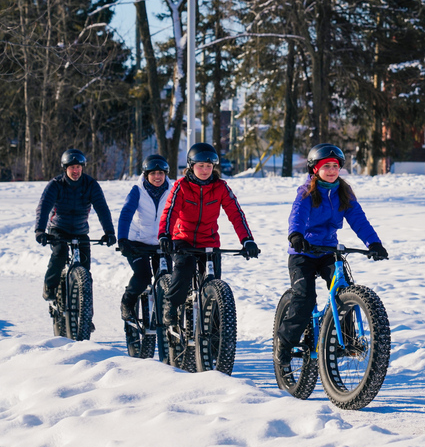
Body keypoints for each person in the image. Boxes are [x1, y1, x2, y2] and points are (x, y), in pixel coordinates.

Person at [274, 143, 388, 370]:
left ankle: (347, 340)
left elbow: (358, 219)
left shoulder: (343, 192)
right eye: (326, 166)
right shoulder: (307, 191)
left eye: (335, 166)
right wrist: (295, 234)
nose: (332, 170)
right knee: (304, 298)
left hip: (328, 251)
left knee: (345, 291)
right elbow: (298, 214)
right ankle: (284, 343)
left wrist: (373, 242)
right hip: (303, 251)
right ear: (315, 169)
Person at [158, 143, 259, 325]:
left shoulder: (220, 187)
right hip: (183, 240)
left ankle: (213, 333)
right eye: (200, 166)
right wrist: (165, 235)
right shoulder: (181, 187)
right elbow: (170, 212)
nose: (205, 170)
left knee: (213, 283)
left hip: (209, 241)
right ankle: (172, 305)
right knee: (185, 267)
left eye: (209, 166)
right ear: (191, 166)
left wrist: (247, 240)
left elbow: (236, 214)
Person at [34, 149, 116, 302]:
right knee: (60, 252)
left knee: (85, 270)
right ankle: (50, 285)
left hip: (80, 230)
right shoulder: (56, 184)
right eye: (72, 167)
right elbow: (43, 207)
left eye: (78, 167)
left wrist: (109, 232)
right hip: (58, 228)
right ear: (65, 169)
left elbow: (102, 209)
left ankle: (86, 316)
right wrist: (39, 230)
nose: (75, 170)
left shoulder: (90, 184)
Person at [116, 154, 173, 322]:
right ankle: (128, 302)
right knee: (143, 276)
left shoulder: (173, 190)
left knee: (166, 277)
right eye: (153, 173)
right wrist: (122, 239)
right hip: (136, 242)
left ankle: (164, 318)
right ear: (146, 174)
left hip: (161, 242)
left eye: (161, 173)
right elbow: (126, 214)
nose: (157, 177)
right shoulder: (138, 190)